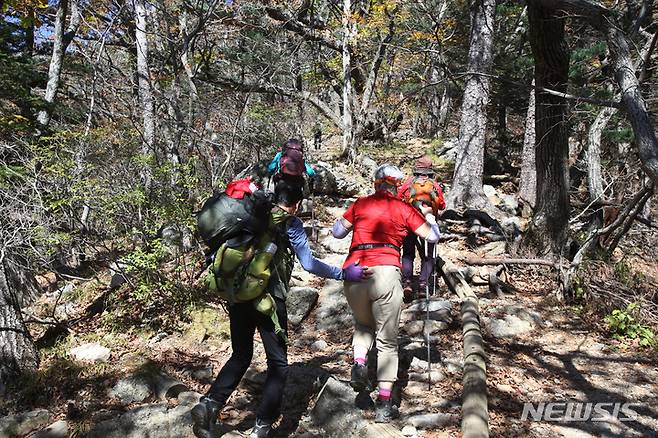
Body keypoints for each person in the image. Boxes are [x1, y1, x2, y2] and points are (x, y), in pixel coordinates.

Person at [192, 179, 369, 438]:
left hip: (239, 297)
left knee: (241, 355)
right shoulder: (290, 224)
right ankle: (262, 426)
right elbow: (308, 264)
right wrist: (343, 273)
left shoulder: (250, 217)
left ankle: (209, 405)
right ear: (296, 205)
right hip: (270, 303)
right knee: (278, 365)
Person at [331, 164, 440, 423]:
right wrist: (429, 217)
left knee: (363, 324)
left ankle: (359, 364)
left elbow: (337, 232)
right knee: (388, 341)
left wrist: (347, 220)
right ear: (397, 187)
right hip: (386, 272)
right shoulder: (404, 208)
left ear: (376, 183)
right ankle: (383, 403)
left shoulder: (360, 204)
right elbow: (432, 237)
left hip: (355, 272)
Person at [398, 156, 446, 301]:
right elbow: (442, 205)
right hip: (428, 223)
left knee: (407, 253)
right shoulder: (434, 185)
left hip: (409, 222)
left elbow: (398, 198)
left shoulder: (409, 183)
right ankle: (423, 284)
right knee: (428, 255)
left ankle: (407, 282)